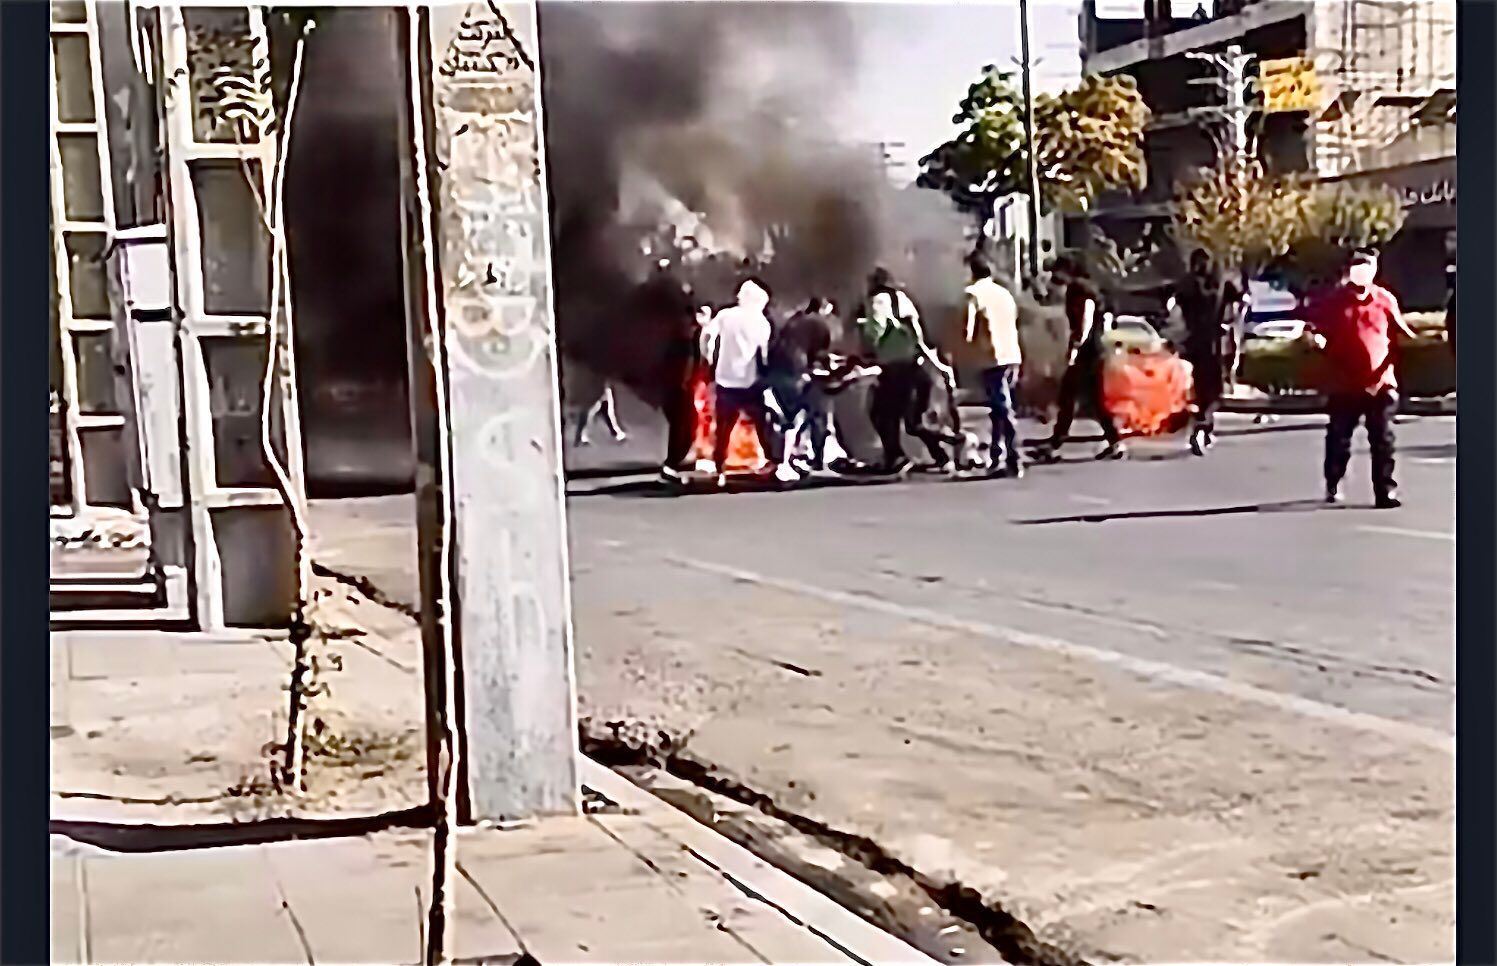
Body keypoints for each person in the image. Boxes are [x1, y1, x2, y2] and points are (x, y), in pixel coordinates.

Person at [1303, 248, 1415, 509]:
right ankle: (1334, 479)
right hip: (1344, 384)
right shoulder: (1333, 301)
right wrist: (1314, 339)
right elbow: (1311, 328)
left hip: (1381, 383)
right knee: (1339, 437)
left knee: (1383, 439)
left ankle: (1385, 491)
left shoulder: (1385, 299)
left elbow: (1402, 331)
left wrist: (1430, 340)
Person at [858, 282, 968, 475]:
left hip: (897, 370)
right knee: (913, 422)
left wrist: (865, 337)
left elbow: (874, 332)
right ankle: (944, 450)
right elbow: (919, 339)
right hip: (915, 368)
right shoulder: (903, 300)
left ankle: (896, 456)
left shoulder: (878, 301)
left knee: (880, 414)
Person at [1036, 257, 1125, 461]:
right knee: (1085, 399)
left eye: (1057, 271)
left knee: (1075, 398)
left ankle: (1055, 445)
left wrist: (1077, 346)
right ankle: (1114, 442)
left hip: (1088, 353)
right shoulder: (1079, 288)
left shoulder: (1081, 289)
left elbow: (1087, 316)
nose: (1054, 276)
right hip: (1090, 351)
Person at [706, 278, 782, 487]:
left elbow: (708, 337)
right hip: (750, 383)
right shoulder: (761, 323)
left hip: (725, 380)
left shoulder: (725, 315)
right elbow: (764, 355)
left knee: (722, 429)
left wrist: (710, 360)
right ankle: (773, 463)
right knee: (762, 424)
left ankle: (719, 469)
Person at [634, 261, 700, 485]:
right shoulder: (682, 337)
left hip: (670, 384)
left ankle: (675, 463)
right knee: (685, 424)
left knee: (684, 424)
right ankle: (671, 466)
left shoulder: (670, 333)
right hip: (676, 385)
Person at [963, 255, 1024, 477]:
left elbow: (967, 331)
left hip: (991, 358)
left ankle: (1014, 457)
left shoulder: (973, 294)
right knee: (998, 410)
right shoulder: (1004, 293)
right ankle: (997, 457)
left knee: (1002, 408)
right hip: (1012, 354)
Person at [767, 297, 836, 474]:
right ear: (824, 309)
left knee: (788, 419)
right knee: (817, 414)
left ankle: (783, 460)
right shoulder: (819, 324)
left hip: (777, 372)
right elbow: (820, 355)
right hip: (798, 372)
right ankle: (817, 459)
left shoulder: (794, 321)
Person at [1174, 249, 1230, 456]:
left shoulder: (1188, 285)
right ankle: (1202, 426)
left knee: (1203, 388)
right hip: (1211, 343)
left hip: (1196, 341)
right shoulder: (1216, 285)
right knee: (1211, 388)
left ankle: (1205, 426)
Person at [574, 382, 627, 446]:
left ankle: (617, 433)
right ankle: (582, 437)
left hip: (600, 388)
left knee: (606, 413)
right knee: (589, 414)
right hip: (594, 388)